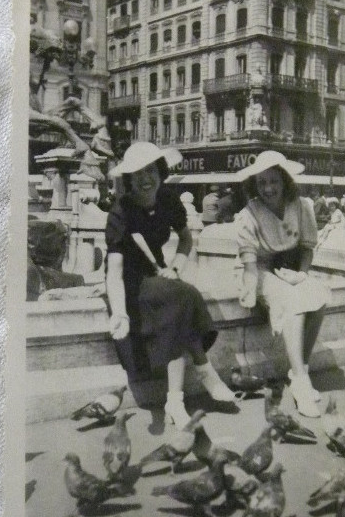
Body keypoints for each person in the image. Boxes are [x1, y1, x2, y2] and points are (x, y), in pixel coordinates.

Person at [105, 142, 236, 429]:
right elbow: (114, 270)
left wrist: (176, 267)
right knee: (184, 296)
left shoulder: (167, 199)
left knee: (181, 299)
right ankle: (203, 374)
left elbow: (186, 239)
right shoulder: (121, 212)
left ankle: (176, 399)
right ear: (128, 178)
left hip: (157, 273)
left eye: (150, 170)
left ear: (160, 171)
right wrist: (119, 312)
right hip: (130, 282)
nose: (145, 178)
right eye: (137, 173)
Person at [235, 151, 330, 418]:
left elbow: (307, 248)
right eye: (262, 182)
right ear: (255, 184)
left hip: (290, 269)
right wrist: (250, 288)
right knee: (291, 300)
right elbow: (250, 263)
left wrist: (302, 274)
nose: (268, 188)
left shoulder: (302, 206)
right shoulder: (249, 214)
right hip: (260, 269)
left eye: (274, 181)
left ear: (285, 180)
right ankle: (300, 383)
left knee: (317, 296)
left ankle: (301, 368)